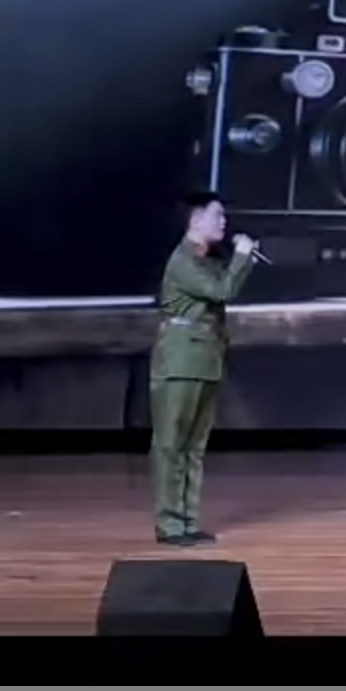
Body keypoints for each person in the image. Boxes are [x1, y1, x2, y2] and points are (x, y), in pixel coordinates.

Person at [150, 190, 257, 546]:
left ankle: (187, 521)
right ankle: (169, 524)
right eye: (217, 216)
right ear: (196, 220)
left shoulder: (206, 260)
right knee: (171, 444)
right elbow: (222, 291)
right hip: (180, 361)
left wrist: (242, 260)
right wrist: (242, 256)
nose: (224, 222)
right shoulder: (183, 261)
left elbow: (224, 287)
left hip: (206, 359)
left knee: (194, 447)